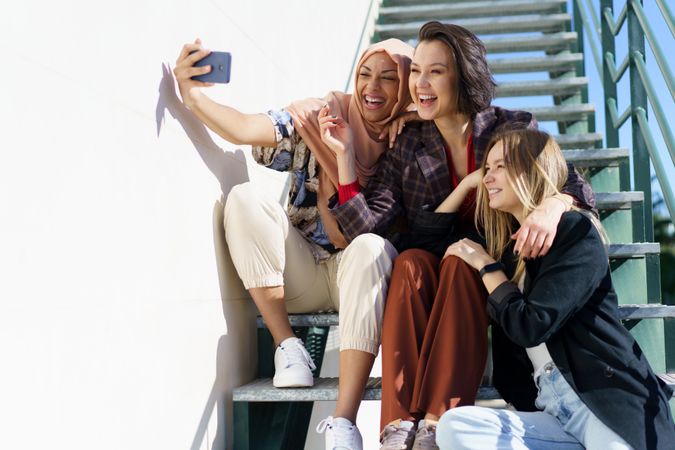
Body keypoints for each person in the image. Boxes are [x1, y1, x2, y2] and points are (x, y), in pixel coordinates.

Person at [319, 21, 596, 449]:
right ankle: (397, 426)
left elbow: (576, 188)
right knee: (409, 263)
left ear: (462, 76)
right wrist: (345, 158)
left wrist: (551, 206)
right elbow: (368, 228)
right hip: (431, 267)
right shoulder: (409, 142)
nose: (420, 84)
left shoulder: (510, 127)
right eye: (415, 71)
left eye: (436, 72)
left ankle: (436, 420)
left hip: (495, 271)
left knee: (461, 260)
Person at [173, 38, 413, 450]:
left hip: (363, 282)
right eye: (365, 75)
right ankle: (288, 345)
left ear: (407, 87)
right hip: (303, 272)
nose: (373, 87)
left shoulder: (411, 140)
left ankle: (344, 422)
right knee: (244, 198)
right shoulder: (322, 117)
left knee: (369, 246)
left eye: (389, 79)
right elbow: (246, 128)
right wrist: (191, 95)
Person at [436, 128, 675, 450]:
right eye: (485, 169)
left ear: (532, 169)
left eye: (500, 167)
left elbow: (531, 325)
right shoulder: (507, 248)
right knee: (456, 427)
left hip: (601, 402)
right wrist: (465, 184)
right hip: (549, 408)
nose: (486, 178)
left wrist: (487, 268)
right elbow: (426, 241)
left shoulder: (574, 232)